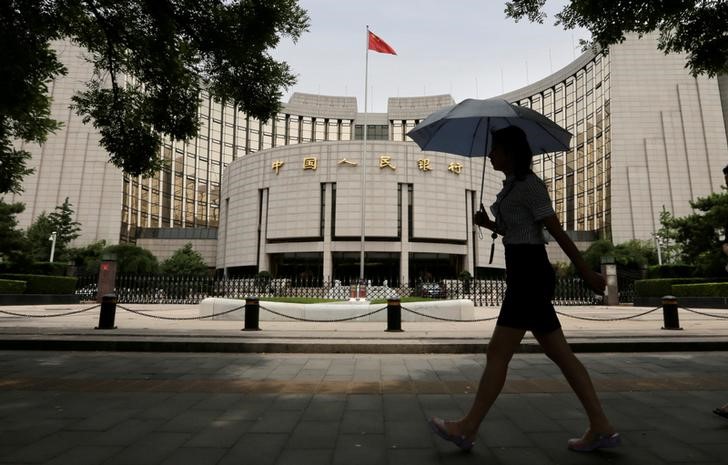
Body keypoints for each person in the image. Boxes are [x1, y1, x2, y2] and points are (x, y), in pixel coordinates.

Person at [428, 126, 619, 452]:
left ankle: (467, 427)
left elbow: (555, 231)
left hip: (530, 273)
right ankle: (600, 426)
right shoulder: (511, 187)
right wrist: (487, 223)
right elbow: (513, 228)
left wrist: (586, 271)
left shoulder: (530, 186)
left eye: (495, 150)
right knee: (559, 355)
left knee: (499, 352)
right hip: (522, 271)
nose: (490, 155)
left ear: (511, 153)